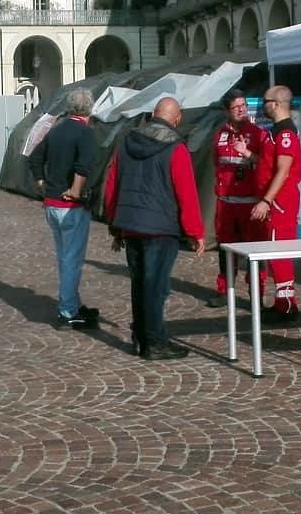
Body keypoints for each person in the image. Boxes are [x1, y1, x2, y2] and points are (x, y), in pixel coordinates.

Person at [104, 97, 205, 360]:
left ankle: (140, 336)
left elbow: (112, 185)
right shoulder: (175, 148)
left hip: (131, 225)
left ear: (152, 114)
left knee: (139, 284)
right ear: (177, 118)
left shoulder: (126, 143)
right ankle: (155, 341)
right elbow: (187, 193)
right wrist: (195, 232)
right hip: (160, 228)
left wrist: (115, 226)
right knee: (156, 287)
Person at [28, 89, 99, 329]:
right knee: (72, 260)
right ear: (89, 109)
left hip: (51, 203)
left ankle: (73, 303)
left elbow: (34, 158)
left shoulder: (55, 130)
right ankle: (68, 311)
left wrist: (41, 183)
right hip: (71, 205)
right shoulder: (86, 133)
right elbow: (83, 166)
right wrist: (76, 190)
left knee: (64, 257)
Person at [207, 89, 272, 308]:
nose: (241, 110)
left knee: (255, 252)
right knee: (226, 250)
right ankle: (224, 291)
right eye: (236, 107)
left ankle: (257, 293)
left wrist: (248, 154)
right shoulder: (219, 134)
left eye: (243, 106)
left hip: (250, 204)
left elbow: (268, 164)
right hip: (226, 204)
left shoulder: (258, 134)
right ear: (227, 110)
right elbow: (217, 162)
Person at [250, 85, 301, 321]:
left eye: (265, 100)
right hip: (276, 201)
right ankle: (283, 301)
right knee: (275, 252)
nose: (263, 105)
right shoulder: (276, 132)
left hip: (280, 202)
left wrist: (266, 200)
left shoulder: (285, 134)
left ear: (276, 103)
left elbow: (282, 171)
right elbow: (268, 164)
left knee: (279, 250)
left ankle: (287, 306)